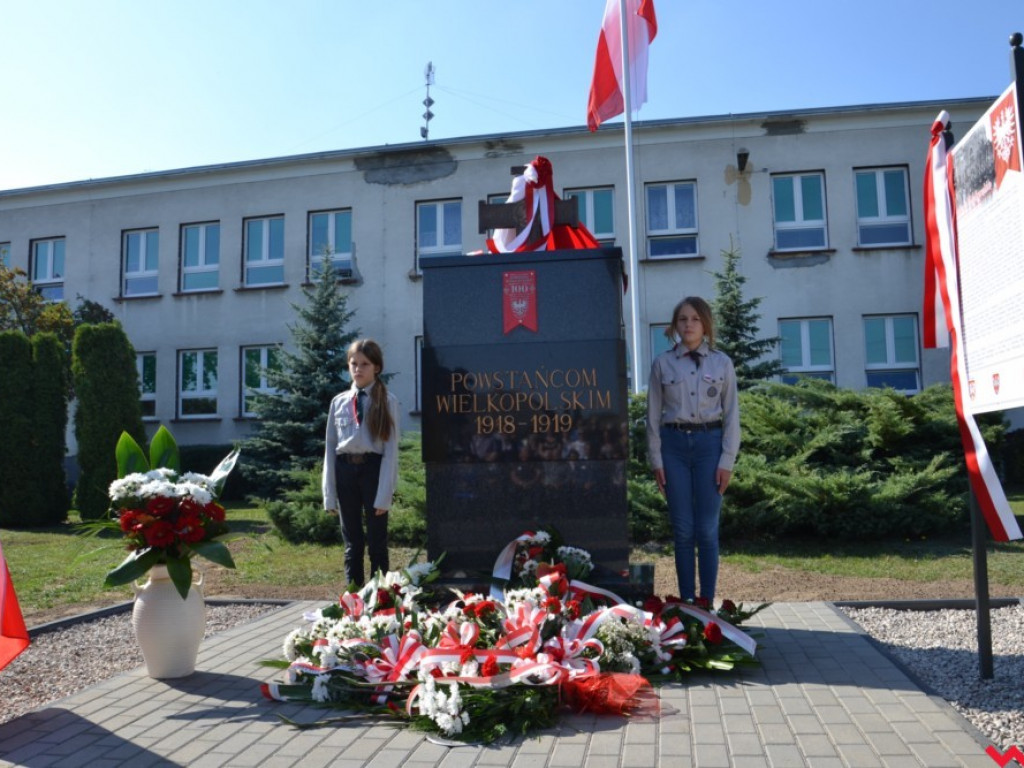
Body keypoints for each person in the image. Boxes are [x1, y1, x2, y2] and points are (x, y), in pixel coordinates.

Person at [646, 297, 740, 605]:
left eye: (695, 319)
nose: (689, 325)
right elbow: (652, 416)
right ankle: (687, 604)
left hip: (709, 447)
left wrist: (727, 460)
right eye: (683, 319)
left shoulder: (721, 363)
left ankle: (706, 603)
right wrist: (656, 459)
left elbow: (732, 416)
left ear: (706, 324)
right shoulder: (663, 363)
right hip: (673, 448)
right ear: (675, 324)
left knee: (707, 529)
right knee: (683, 529)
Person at [323, 339, 400, 587]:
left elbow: (390, 451)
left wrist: (384, 495)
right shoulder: (339, 402)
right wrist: (329, 494)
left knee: (377, 542)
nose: (358, 369)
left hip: (373, 472)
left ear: (376, 367)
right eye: (353, 363)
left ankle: (380, 598)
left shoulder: (387, 401)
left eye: (365, 364)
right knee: (352, 543)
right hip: (345, 471)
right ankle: (353, 598)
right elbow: (330, 448)